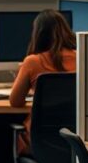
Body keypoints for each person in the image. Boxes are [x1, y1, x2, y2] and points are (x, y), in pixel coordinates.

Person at [9, 10, 77, 155]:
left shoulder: (33, 62)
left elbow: (15, 101)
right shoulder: (82, 58)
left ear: (38, 34)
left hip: (39, 144)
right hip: (76, 144)